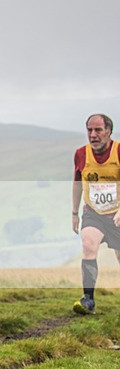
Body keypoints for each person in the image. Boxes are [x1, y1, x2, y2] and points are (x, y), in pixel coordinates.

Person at [72, 113, 120, 314]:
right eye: (90, 130)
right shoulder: (81, 154)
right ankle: (88, 300)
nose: (93, 135)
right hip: (94, 213)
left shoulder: (118, 151)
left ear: (108, 131)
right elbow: (77, 184)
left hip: (117, 213)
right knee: (88, 244)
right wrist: (74, 213)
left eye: (98, 130)